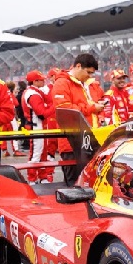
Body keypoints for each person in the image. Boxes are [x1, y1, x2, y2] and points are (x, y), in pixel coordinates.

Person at [51, 53, 107, 184]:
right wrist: (92, 107)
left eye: (92, 73)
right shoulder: (62, 83)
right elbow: (66, 111)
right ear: (78, 66)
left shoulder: (86, 84)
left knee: (90, 184)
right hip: (72, 144)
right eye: (88, 72)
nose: (90, 76)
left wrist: (99, 112)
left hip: (89, 142)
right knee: (74, 186)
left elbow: (92, 104)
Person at [21, 70, 55, 184]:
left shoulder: (35, 92)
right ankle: (32, 179)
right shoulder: (33, 94)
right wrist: (55, 106)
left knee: (42, 153)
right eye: (41, 80)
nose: (44, 81)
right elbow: (41, 113)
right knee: (36, 153)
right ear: (35, 81)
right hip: (36, 127)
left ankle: (42, 176)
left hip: (39, 126)